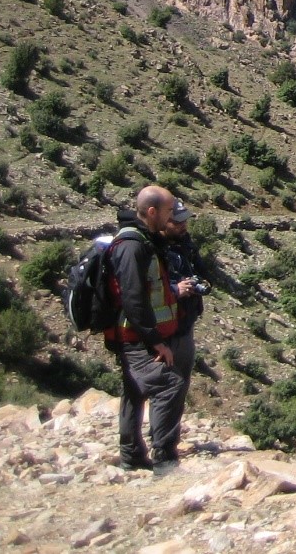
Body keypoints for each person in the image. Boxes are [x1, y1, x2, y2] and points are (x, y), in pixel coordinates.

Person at [105, 185, 185, 469]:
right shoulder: (132, 245)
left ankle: (131, 458)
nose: (171, 216)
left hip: (134, 334)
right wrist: (156, 341)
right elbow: (133, 298)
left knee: (134, 390)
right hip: (135, 336)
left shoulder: (144, 239)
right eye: (167, 211)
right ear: (152, 212)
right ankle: (165, 461)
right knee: (169, 385)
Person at [159, 198, 207, 450]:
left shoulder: (185, 246)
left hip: (184, 323)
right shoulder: (152, 248)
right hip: (158, 327)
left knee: (179, 385)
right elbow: (143, 287)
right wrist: (175, 290)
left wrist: (200, 282)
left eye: (185, 220)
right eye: (177, 221)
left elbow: (203, 271)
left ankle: (168, 444)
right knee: (160, 385)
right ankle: (146, 448)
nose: (183, 225)